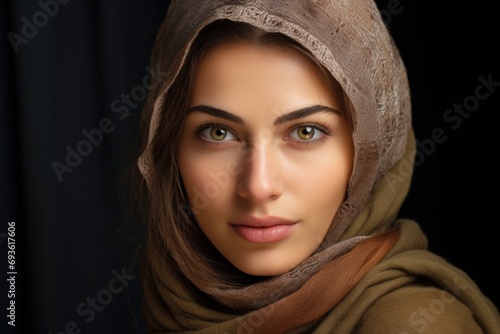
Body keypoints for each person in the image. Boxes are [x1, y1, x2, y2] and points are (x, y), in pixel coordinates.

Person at [132, 0, 500, 333]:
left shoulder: (412, 323)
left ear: (371, 151)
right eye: (218, 132)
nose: (259, 186)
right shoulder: (169, 303)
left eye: (305, 132)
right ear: (168, 144)